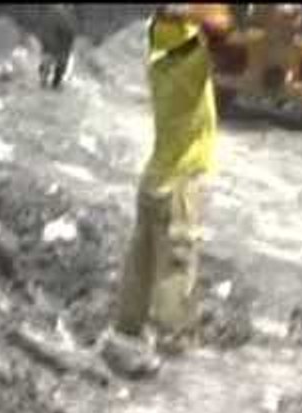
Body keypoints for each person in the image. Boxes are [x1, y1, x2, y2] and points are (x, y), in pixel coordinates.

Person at [112, 4, 234, 356]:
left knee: (142, 262)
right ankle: (172, 346)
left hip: (154, 178)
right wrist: (194, 12)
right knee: (175, 268)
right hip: (182, 183)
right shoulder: (189, 63)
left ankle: (124, 334)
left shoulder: (160, 54)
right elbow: (221, 28)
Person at [38, 4, 78, 89]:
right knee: (58, 64)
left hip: (55, 44)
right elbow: (72, 32)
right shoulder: (68, 15)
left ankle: (49, 80)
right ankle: (54, 81)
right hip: (58, 44)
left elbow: (71, 32)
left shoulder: (54, 12)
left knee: (50, 62)